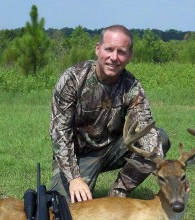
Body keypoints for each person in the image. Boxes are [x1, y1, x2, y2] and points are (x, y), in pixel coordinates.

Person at [49, 24, 170, 203]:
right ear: (98, 49)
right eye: (109, 49)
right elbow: (59, 133)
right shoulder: (73, 79)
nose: (114, 57)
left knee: (160, 138)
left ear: (129, 56)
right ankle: (75, 181)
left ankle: (118, 194)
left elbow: (146, 128)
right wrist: (74, 178)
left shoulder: (132, 87)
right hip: (79, 155)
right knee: (62, 207)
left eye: (121, 52)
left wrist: (168, 173)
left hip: (113, 149)